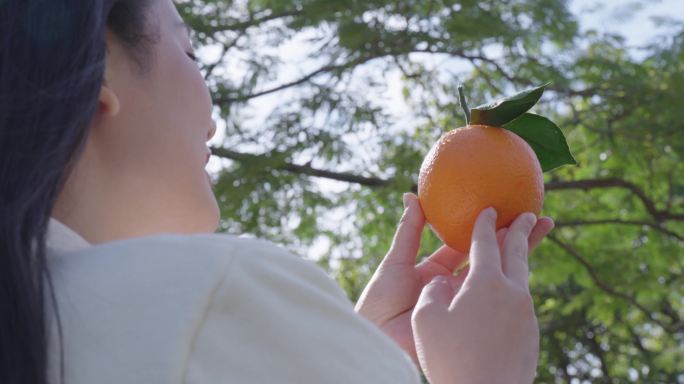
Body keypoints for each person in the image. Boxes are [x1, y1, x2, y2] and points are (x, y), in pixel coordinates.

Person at [0, 1, 555, 383]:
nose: (213, 117)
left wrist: (366, 352)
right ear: (103, 69)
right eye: (189, 53)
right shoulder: (214, 292)